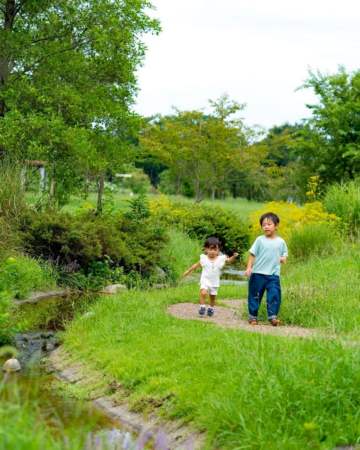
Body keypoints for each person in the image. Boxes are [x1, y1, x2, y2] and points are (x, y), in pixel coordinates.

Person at [244, 212, 288, 326]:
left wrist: (283, 259)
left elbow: (284, 255)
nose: (266, 226)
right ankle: (253, 317)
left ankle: (273, 317)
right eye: (264, 225)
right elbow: (252, 254)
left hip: (273, 275)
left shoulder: (281, 242)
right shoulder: (259, 240)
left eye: (269, 224)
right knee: (255, 295)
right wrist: (249, 268)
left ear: (276, 226)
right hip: (258, 273)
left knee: (274, 294)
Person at [182, 237, 238, 317]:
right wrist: (188, 271)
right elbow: (196, 265)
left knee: (212, 297)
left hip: (214, 281)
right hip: (205, 280)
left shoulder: (220, 259)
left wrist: (233, 257)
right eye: (210, 249)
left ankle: (211, 308)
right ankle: (202, 307)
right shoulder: (204, 258)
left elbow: (229, 261)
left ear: (218, 251)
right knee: (203, 292)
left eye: (215, 250)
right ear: (206, 249)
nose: (212, 252)